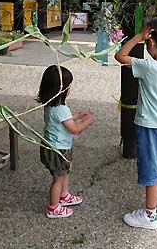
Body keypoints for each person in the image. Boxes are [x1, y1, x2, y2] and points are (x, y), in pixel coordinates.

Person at [115, 19, 157, 230]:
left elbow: (120, 56)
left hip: (149, 127)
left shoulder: (147, 67)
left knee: (151, 171)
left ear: (150, 42)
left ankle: (150, 214)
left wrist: (138, 37)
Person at [37, 65, 95, 218]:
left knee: (64, 172)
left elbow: (62, 121)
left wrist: (77, 115)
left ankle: (64, 195)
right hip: (59, 150)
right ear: (61, 90)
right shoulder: (61, 109)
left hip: (51, 147)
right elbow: (74, 130)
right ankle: (54, 207)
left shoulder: (51, 105)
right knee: (58, 178)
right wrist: (88, 121)